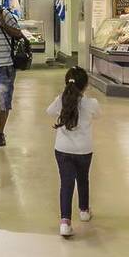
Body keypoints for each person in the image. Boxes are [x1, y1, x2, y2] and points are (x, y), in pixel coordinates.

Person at [48, 66, 98, 238]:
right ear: (85, 86)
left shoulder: (60, 100)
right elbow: (98, 114)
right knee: (83, 179)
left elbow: (49, 111)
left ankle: (65, 222)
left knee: (66, 183)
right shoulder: (91, 103)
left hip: (62, 149)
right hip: (84, 150)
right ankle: (84, 211)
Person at [0, 0, 23, 147]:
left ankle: (0, 132)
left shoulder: (4, 14)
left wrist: (3, 24)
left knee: (4, 102)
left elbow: (18, 34)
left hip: (6, 65)